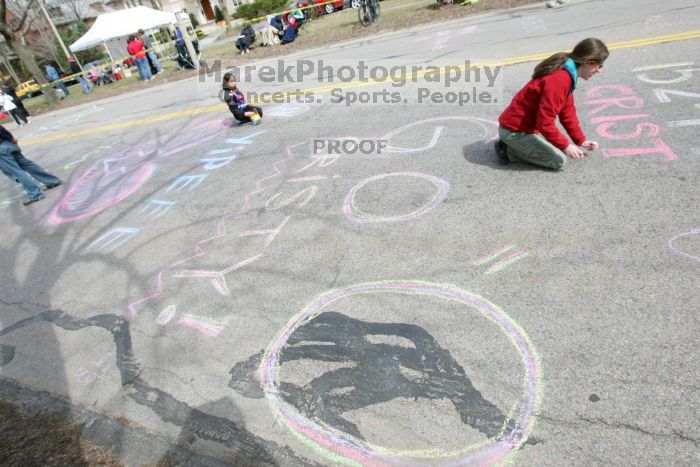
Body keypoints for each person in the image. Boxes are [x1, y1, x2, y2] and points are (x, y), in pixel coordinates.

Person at [495, 38, 609, 170]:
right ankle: (508, 151)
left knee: (555, 143)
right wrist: (566, 146)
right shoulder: (560, 79)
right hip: (514, 131)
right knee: (558, 160)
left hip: (526, 128)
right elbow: (544, 122)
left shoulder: (568, 73)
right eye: (599, 66)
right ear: (589, 63)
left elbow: (568, 112)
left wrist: (580, 140)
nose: (599, 70)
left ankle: (518, 145)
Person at [0, 125, 61, 205]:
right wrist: (12, 139)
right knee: (27, 165)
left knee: (16, 172)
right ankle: (52, 181)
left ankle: (35, 194)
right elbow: (2, 130)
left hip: (2, 149)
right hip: (9, 143)